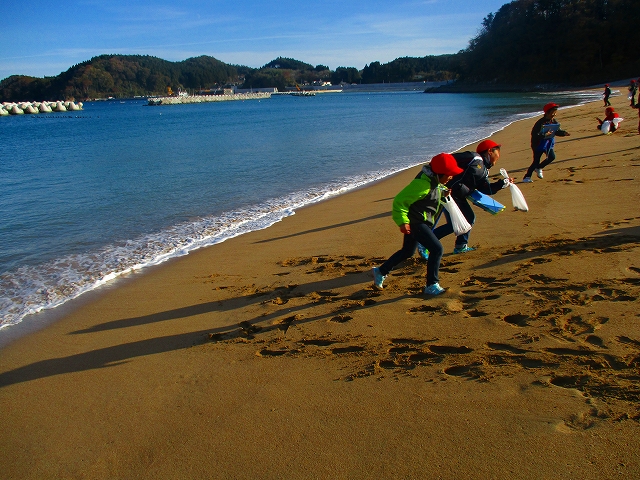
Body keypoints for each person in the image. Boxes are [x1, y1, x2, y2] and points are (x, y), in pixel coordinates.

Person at [372, 153, 462, 296]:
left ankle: (381, 271)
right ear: (438, 173)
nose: (451, 177)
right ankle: (431, 284)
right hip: (416, 222)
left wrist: (442, 193)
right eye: (449, 174)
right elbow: (399, 201)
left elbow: (431, 194)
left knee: (407, 252)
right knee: (437, 249)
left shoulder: (434, 182)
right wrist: (403, 222)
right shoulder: (422, 184)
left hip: (420, 221)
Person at [425, 140, 511, 256]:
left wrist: (501, 184)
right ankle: (427, 242)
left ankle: (460, 245)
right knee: (458, 222)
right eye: (498, 153)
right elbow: (448, 160)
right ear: (490, 151)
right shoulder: (473, 157)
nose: (498, 156)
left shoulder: (485, 171)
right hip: (447, 192)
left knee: (467, 219)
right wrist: (435, 176)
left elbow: (485, 188)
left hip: (458, 196)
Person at [523, 103, 570, 183]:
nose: (554, 114)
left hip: (548, 143)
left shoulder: (554, 121)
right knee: (536, 161)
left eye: (555, 112)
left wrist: (563, 133)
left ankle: (539, 168)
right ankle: (527, 177)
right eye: (553, 112)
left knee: (551, 157)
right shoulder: (540, 122)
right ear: (547, 112)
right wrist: (544, 134)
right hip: (538, 144)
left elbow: (556, 131)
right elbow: (535, 134)